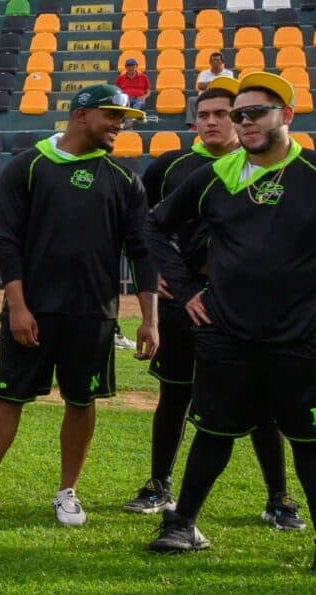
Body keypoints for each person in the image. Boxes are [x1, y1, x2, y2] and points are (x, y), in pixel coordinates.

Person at [142, 72, 316, 579]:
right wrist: (185, 289)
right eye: (238, 114)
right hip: (227, 334)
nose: (244, 122)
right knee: (213, 433)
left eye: (256, 112)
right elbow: (154, 226)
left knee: (311, 443)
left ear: (286, 116)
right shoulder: (215, 176)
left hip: (302, 337)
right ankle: (181, 524)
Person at [0, 83, 156, 526]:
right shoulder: (27, 167)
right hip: (31, 310)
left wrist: (150, 319)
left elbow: (142, 250)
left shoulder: (126, 179)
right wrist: (17, 306)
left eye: (123, 118)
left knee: (81, 400)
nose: (119, 125)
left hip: (94, 315)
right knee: (7, 398)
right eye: (111, 116)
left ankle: (67, 492)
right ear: (80, 115)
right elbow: (7, 240)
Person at [128, 81, 301, 526]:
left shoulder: (265, 166)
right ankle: (158, 485)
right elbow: (143, 226)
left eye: (222, 114)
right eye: (203, 115)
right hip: (183, 302)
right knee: (174, 393)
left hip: (244, 302)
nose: (211, 122)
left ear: (241, 118)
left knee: (261, 401)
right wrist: (159, 275)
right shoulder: (172, 166)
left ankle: (278, 497)